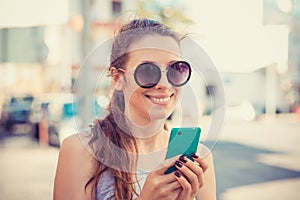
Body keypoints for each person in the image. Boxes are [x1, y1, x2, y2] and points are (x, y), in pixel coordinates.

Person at [53, 18, 216, 200]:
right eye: (147, 71)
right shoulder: (81, 150)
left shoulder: (197, 159)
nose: (164, 84)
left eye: (176, 69)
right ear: (117, 79)